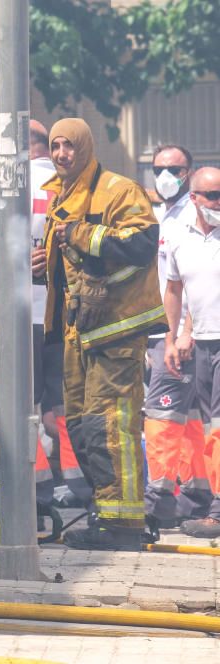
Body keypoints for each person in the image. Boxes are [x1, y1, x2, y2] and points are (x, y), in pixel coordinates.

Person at [31, 118, 165, 551]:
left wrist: (79, 233)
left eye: (69, 146)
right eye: (55, 146)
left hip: (116, 331)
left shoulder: (119, 190)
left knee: (110, 426)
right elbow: (75, 264)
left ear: (86, 146)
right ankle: (105, 515)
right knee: (83, 427)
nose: (61, 154)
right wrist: (46, 264)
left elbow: (141, 245)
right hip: (78, 333)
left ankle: (123, 528)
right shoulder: (62, 196)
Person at [0, 119, 90, 510]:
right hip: (65, 315)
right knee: (66, 401)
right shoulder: (72, 184)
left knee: (19, 402)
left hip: (20, 315)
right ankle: (78, 482)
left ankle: (31, 486)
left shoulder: (10, 185)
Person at [143, 146, 212, 528]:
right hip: (171, 332)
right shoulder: (167, 214)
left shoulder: (193, 214)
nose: (165, 175)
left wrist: (177, 335)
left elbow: (189, 283)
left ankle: (159, 497)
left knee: (163, 412)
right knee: (187, 417)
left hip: (183, 336)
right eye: (158, 168)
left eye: (174, 169)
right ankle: (199, 491)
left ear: (189, 173)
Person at [163, 167, 220, 539]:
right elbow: (175, 290)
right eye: (212, 196)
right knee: (210, 427)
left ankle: (216, 511)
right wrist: (176, 336)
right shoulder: (178, 236)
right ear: (195, 198)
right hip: (202, 342)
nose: (219, 203)